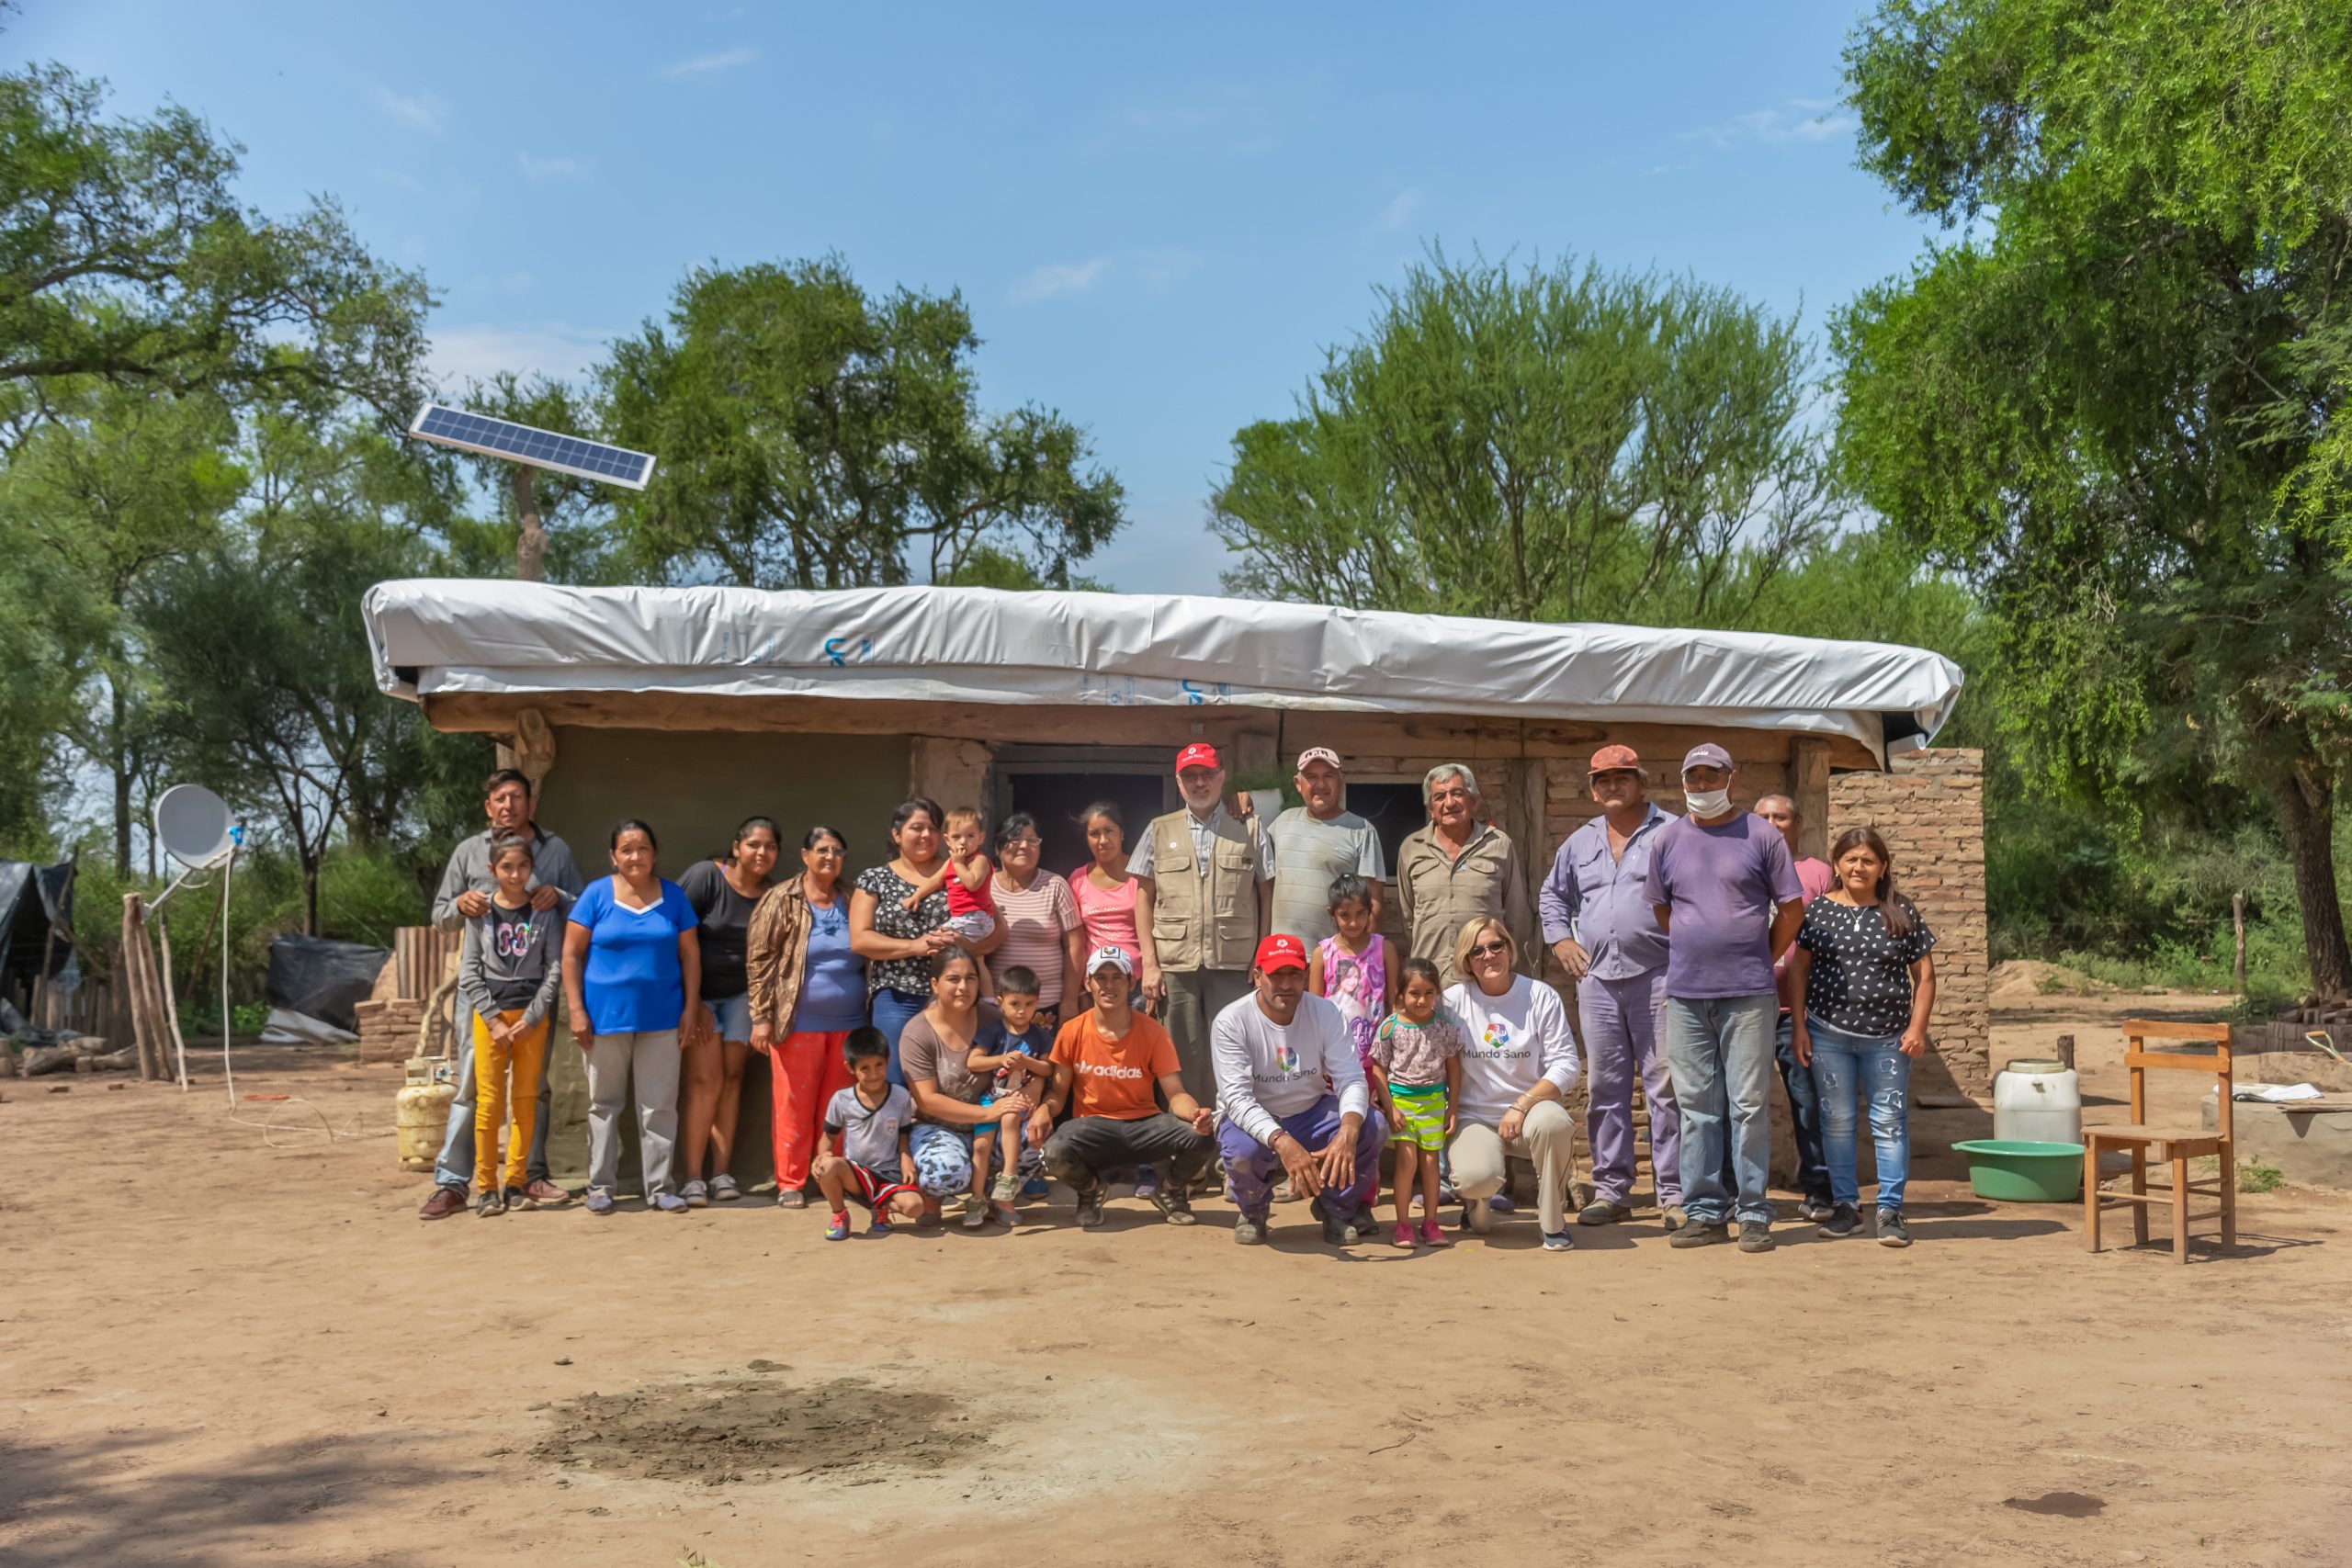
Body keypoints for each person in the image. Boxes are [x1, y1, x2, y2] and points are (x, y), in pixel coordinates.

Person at [1645, 744, 1806, 1254]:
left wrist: (1759, 955)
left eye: (1712, 774)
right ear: (1683, 780)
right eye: (1694, 775)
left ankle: (1754, 1212)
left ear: (1731, 777)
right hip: (1688, 995)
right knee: (1696, 1107)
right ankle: (1706, 1212)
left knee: (1749, 1103)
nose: (1702, 783)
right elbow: (1663, 912)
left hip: (1748, 994)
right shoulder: (1667, 839)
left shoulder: (1761, 836)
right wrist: (1701, 944)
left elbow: (1792, 909)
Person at [420, 767, 582, 1220]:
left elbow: (584, 905)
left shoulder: (556, 851)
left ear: (531, 804)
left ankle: (527, 1175)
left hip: (535, 996)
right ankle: (455, 1182)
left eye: (516, 797)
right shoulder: (468, 852)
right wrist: (459, 905)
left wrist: (560, 895)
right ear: (487, 807)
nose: (508, 805)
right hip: (482, 996)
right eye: (499, 799)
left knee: (536, 1088)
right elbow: (439, 915)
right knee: (473, 1088)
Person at [1539, 745, 1685, 1231]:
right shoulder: (1580, 842)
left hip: (1660, 973)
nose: (1612, 786)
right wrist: (1559, 939)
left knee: (1666, 1086)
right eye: (1602, 779)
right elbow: (1552, 895)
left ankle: (1673, 1193)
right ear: (1592, 788)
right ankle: (1611, 1190)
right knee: (1605, 1087)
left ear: (1642, 782)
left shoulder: (1671, 832)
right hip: (1598, 980)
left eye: (1622, 777)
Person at [1789, 827, 1939, 1248]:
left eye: (1868, 860)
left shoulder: (1900, 911)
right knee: (1836, 1123)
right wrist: (1799, 1026)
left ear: (1883, 867)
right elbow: (1799, 970)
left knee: (1889, 1122)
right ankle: (1846, 1208)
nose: (1859, 867)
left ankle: (1890, 1210)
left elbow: (1924, 975)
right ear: (1837, 865)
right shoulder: (1818, 911)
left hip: (1888, 1040)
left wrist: (1917, 1027)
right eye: (1851, 859)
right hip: (1827, 1034)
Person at [562, 819, 702, 1216]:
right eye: (626, 849)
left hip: (662, 1020)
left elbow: (690, 955)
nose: (635, 856)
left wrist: (691, 1007)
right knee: (603, 1105)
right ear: (613, 856)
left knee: (659, 1106)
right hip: (604, 1020)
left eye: (642, 848)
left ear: (654, 853)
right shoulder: (595, 896)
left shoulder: (673, 897)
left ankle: (660, 1188)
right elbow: (571, 954)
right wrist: (576, 1009)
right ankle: (600, 1187)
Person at [1211, 934, 1385, 1247]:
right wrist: (1282, 1141)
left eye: (1294, 974)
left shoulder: (1326, 1012)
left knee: (1371, 1126)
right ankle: (1253, 1211)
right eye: (1275, 975)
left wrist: (1348, 1129)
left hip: (1311, 1110)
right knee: (1241, 1153)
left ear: (1305, 975)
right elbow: (1236, 1100)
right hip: (1254, 1117)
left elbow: (1351, 1078)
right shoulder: (1231, 1021)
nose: (1286, 984)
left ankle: (1337, 1209)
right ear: (1257, 976)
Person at [1029, 944, 1216, 1228]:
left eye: (1117, 977)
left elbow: (1175, 1093)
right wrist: (1044, 1109)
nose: (1109, 985)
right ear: (1087, 983)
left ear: (1131, 982)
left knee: (1201, 1136)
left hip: (1144, 1127)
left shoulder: (1152, 1030)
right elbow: (1057, 1093)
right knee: (1054, 1151)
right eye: (1100, 977)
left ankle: (1170, 1189)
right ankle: (1090, 1191)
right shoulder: (1071, 1031)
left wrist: (1196, 1115)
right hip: (1092, 1128)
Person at [1132, 743, 1265, 1118]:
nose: (1200, 782)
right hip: (1176, 966)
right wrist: (1151, 962)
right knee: (1180, 1056)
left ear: (1222, 777)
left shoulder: (1249, 826)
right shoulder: (1159, 830)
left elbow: (1265, 891)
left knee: (1233, 1057)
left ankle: (1230, 1149)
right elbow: (1143, 898)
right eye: (1190, 775)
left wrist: (1260, 954)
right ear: (1178, 782)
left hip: (1234, 962)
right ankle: (1187, 1151)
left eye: (1207, 774)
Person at [1442, 917, 1583, 1250]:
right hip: (1474, 1117)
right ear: (1466, 960)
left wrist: (1522, 1105)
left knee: (1555, 1123)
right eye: (1477, 951)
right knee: (1476, 1180)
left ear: (1509, 948)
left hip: (1529, 1115)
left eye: (1496, 945)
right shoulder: (1451, 1002)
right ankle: (1476, 1203)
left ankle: (1552, 1222)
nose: (1489, 956)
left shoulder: (1540, 996)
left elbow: (1566, 1064)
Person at [745, 826, 866, 1208]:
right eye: (822, 850)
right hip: (797, 1023)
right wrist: (761, 1016)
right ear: (805, 854)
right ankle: (791, 1183)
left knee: (838, 1106)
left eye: (837, 850)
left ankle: (829, 1175)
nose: (829, 857)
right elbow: (760, 960)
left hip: (849, 1024)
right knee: (794, 1106)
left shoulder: (852, 898)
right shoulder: (781, 898)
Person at [454, 833, 570, 1218]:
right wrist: (492, 1019)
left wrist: (533, 1017)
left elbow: (554, 969)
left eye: (522, 866)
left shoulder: (544, 912)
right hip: (490, 1017)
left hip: (530, 1017)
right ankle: (486, 1186)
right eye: (506, 867)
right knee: (488, 1104)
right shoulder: (480, 913)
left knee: (524, 1100)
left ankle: (515, 1183)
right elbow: (469, 972)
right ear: (492, 870)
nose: (515, 874)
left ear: (532, 868)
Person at [676, 817, 780, 1207]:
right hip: (698, 998)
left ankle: (721, 1173)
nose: (761, 853)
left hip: (744, 1000)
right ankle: (691, 1177)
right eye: (753, 844)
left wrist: (762, 1011)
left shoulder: (774, 895)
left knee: (732, 1080)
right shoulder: (706, 877)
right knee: (705, 1081)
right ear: (736, 847)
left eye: (770, 846)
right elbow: (674, 937)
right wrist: (692, 1002)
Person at [896, 948, 1042, 1224]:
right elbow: (927, 1100)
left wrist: (1029, 1098)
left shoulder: (995, 1018)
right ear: (935, 985)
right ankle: (934, 1193)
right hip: (937, 1125)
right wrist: (988, 1114)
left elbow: (1034, 1063)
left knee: (1035, 1137)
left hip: (992, 1123)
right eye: (953, 979)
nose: (963, 987)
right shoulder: (917, 1033)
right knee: (945, 1173)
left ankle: (996, 1196)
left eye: (971, 978)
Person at [1747, 793, 1839, 1223]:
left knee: (1807, 1101)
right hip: (1742, 1008)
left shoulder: (1818, 873)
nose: (1771, 823)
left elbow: (1830, 941)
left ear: (1797, 822)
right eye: (1763, 816)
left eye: (1780, 816)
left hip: (1795, 1015)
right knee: (1740, 1103)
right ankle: (1737, 1192)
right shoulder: (1743, 867)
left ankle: (1820, 1190)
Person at [851, 798, 969, 1083]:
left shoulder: (960, 873)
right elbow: (860, 939)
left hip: (952, 995)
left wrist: (963, 942)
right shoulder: (874, 879)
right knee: (894, 1078)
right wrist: (915, 946)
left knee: (950, 1079)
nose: (926, 836)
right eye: (916, 828)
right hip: (895, 994)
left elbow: (994, 929)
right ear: (896, 834)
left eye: (932, 829)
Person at [1308, 872, 1396, 1235]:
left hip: (1372, 1057)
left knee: (1370, 1132)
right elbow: (1313, 1007)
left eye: (1361, 914)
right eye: (1346, 916)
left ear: (1370, 912)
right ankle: (1334, 1196)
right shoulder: (1323, 952)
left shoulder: (1383, 948)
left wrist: (1391, 1052)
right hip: (1333, 1060)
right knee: (1340, 1129)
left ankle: (1363, 1203)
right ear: (1333, 914)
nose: (1354, 923)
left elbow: (1393, 1002)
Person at [1396, 764, 1536, 987]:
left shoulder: (1498, 844)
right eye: (1439, 796)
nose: (1449, 803)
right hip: (1431, 979)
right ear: (1430, 807)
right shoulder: (1411, 848)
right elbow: (1409, 918)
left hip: (1484, 976)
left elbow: (1515, 915)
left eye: (1457, 793)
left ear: (1474, 800)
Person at [1366, 957, 1464, 1249]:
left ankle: (1431, 1224)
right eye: (1414, 993)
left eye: (1429, 993)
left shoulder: (1445, 1028)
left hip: (1434, 1104)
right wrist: (1390, 1107)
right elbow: (1377, 1068)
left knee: (1432, 1163)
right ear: (1400, 993)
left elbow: (1454, 1069)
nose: (1422, 1000)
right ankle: (1403, 1225)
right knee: (1407, 1164)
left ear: (1437, 993)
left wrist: (1453, 1108)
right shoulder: (1390, 1027)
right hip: (1402, 1105)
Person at [1261, 747, 1386, 945]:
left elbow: (1373, 901)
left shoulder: (1361, 830)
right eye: (1311, 777)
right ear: (1298, 783)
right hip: (1284, 960)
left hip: (1334, 959)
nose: (1320, 784)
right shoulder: (1281, 823)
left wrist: (1358, 954)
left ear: (1340, 781)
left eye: (1328, 776)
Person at [964, 964, 1053, 1227]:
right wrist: (1001, 1058)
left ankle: (1008, 1179)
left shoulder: (1040, 1035)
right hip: (991, 1099)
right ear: (1001, 1002)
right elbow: (973, 1061)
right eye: (1015, 1004)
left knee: (1011, 1116)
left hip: (1019, 1101)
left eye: (1029, 1004)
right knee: (981, 1145)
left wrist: (1028, 1063)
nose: (1022, 1011)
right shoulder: (993, 1031)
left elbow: (1048, 1068)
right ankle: (977, 1197)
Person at [814, 1028, 924, 1239]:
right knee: (828, 1167)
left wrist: (906, 1159)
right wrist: (822, 1156)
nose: (874, 1075)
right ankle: (840, 1215)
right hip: (855, 1172)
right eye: (865, 1068)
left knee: (915, 1208)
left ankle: (880, 1208)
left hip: (888, 1173)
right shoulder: (841, 1099)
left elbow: (903, 1136)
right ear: (850, 1068)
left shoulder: (900, 1096)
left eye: (879, 1065)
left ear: (887, 1060)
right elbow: (828, 1137)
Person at [988, 812, 1086, 1027]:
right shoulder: (985, 888)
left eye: (1032, 841)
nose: (1024, 846)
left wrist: (1070, 1000)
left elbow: (1075, 946)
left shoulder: (1055, 885)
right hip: (998, 1006)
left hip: (1047, 1007)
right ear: (998, 847)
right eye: (1015, 839)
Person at [904, 807, 998, 945]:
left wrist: (959, 864)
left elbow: (972, 884)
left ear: (981, 838)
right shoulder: (951, 862)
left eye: (970, 836)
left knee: (936, 939)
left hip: (977, 918)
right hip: (961, 919)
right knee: (945, 944)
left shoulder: (979, 860)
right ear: (947, 840)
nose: (963, 842)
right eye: (956, 837)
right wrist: (916, 896)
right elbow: (935, 880)